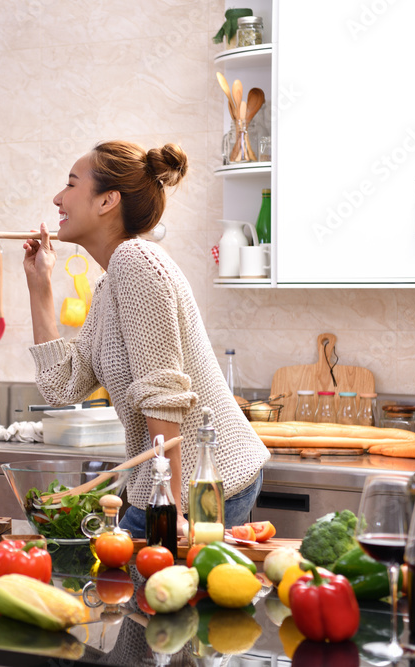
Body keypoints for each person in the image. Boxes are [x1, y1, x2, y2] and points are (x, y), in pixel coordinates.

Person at [22, 140, 269, 537]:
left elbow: (163, 394)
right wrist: (39, 286)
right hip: (165, 483)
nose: (57, 198)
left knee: (154, 592)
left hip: (200, 480)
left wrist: (166, 510)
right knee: (140, 590)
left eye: (70, 185)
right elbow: (61, 384)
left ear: (107, 201)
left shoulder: (136, 261)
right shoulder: (110, 284)